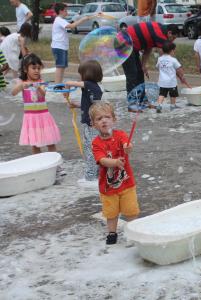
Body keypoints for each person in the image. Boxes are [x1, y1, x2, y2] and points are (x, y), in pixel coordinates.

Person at [90, 101, 140, 245]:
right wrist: (115, 163)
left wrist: (128, 147)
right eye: (99, 119)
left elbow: (127, 144)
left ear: (114, 119)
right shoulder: (96, 143)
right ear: (94, 124)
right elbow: (102, 160)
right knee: (111, 213)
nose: (104, 120)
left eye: (107, 117)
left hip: (127, 183)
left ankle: (134, 230)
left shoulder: (120, 135)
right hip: (108, 187)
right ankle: (112, 232)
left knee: (131, 210)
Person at [122, 22, 179, 111]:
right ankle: (132, 105)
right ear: (169, 33)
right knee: (132, 74)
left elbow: (148, 47)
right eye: (173, 38)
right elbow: (170, 58)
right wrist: (180, 74)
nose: (172, 41)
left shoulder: (159, 31)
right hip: (123, 43)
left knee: (139, 73)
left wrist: (143, 65)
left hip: (131, 45)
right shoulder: (160, 36)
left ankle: (142, 101)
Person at [11, 54, 61, 154]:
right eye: (33, 68)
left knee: (50, 141)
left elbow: (43, 94)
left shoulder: (41, 82)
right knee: (34, 143)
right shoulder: (22, 81)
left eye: (38, 68)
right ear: (25, 69)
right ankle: (38, 162)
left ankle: (54, 162)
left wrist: (38, 87)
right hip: (30, 117)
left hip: (43, 116)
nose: (37, 71)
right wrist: (22, 85)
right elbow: (13, 92)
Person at [65, 60, 104, 188]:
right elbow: (92, 105)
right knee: (93, 149)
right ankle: (98, 174)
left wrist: (67, 86)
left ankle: (91, 177)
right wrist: (76, 105)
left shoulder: (89, 85)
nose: (79, 76)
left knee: (91, 151)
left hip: (92, 126)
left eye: (80, 74)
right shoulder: (93, 88)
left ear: (86, 75)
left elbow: (70, 83)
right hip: (92, 125)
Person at [51, 3, 98, 84]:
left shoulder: (61, 20)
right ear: (60, 11)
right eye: (66, 11)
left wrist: (87, 18)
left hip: (62, 47)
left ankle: (59, 83)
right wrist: (82, 19)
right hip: (58, 47)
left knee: (62, 67)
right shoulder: (59, 20)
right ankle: (57, 84)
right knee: (59, 66)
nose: (67, 13)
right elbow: (72, 26)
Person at [155, 42, 191, 113]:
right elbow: (179, 69)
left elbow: (157, 67)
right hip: (171, 82)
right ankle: (172, 105)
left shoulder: (160, 59)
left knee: (161, 94)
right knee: (173, 94)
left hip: (162, 82)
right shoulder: (173, 60)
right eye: (174, 50)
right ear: (171, 51)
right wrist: (182, 76)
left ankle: (159, 105)